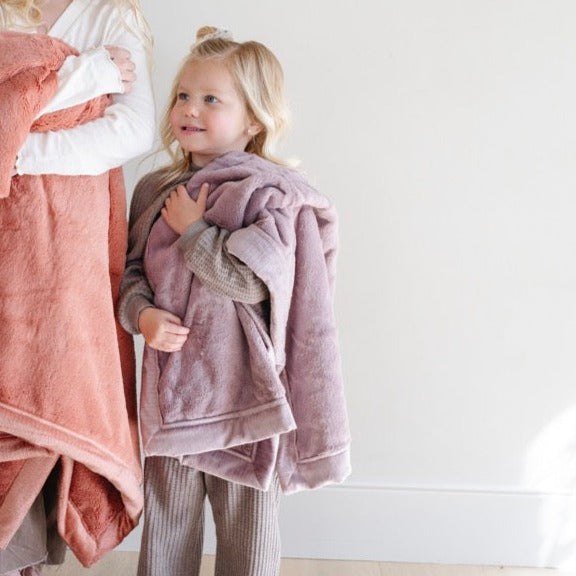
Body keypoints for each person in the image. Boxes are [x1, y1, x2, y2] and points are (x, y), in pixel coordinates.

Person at [118, 26, 351, 576]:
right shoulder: (155, 190)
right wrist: (142, 315)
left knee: (248, 540)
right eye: (183, 95)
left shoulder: (266, 194)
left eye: (211, 99)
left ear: (253, 120)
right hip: (173, 394)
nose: (190, 109)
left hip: (247, 399)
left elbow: (260, 287)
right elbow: (130, 275)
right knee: (168, 529)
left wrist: (198, 232)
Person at [0, 1, 155, 575]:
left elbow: (132, 127)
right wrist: (87, 76)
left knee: (49, 395)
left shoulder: (110, 14)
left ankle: (23, 558)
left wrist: (17, 151)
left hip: (66, 258)